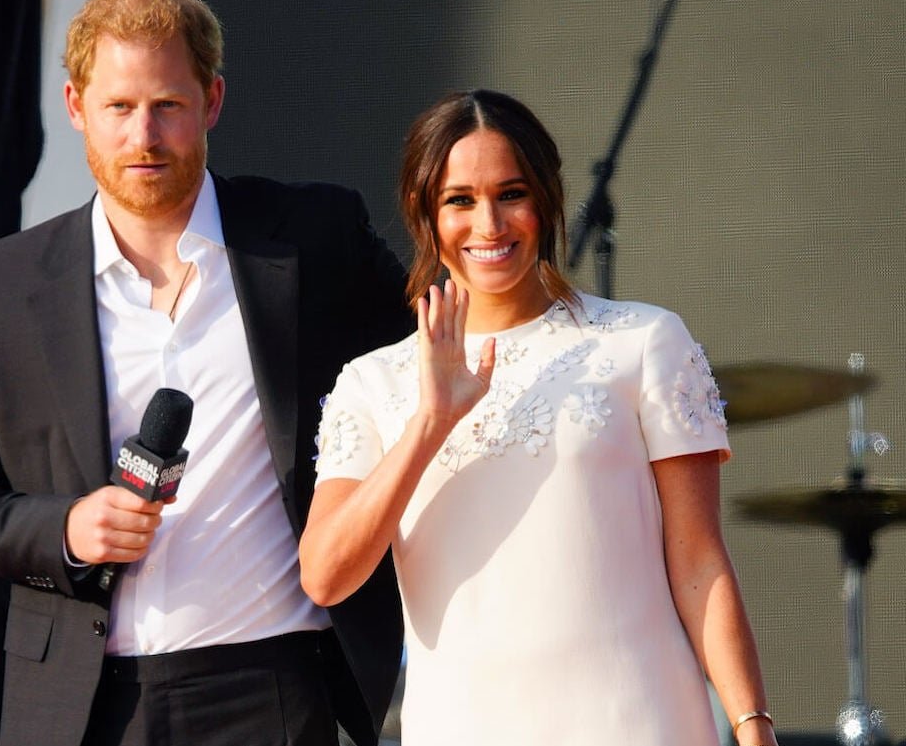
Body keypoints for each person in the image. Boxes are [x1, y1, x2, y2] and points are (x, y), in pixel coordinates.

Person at [0, 0, 412, 746]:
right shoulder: (6, 284)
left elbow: (435, 347)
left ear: (212, 101)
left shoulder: (312, 237)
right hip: (87, 706)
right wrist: (70, 527)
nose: (142, 135)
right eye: (118, 107)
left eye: (167, 106)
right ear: (77, 106)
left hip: (275, 685)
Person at [299, 89, 780, 746]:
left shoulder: (642, 342)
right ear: (424, 213)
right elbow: (326, 575)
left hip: (640, 723)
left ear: (547, 198)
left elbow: (700, 563)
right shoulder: (373, 380)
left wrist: (753, 727)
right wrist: (431, 420)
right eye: (459, 200)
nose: (489, 224)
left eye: (511, 192)